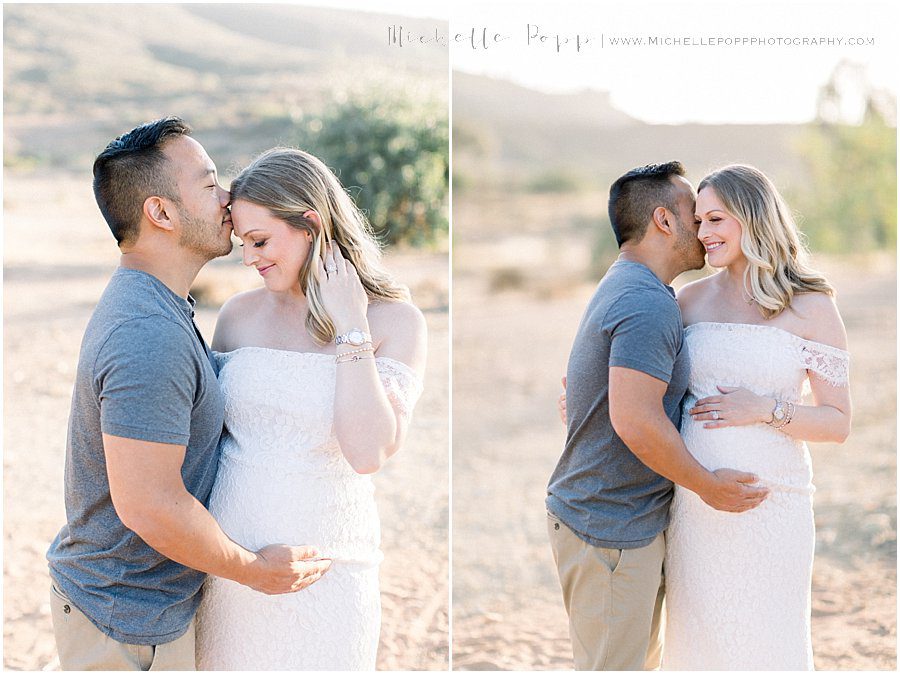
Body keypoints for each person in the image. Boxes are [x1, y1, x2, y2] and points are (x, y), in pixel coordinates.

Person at [46, 118, 331, 671]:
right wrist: (256, 570)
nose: (228, 198)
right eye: (209, 183)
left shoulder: (160, 304)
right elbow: (150, 504)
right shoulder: (146, 332)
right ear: (162, 213)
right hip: (124, 624)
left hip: (134, 613)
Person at [194, 147, 427, 670]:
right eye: (242, 245)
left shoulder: (397, 322)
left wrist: (350, 323)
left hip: (329, 569)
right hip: (233, 571)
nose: (250, 258)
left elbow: (367, 451)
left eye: (260, 241)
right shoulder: (237, 315)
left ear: (311, 225)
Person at [545, 161, 769, 671]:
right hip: (608, 528)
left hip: (615, 522)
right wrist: (710, 486)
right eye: (697, 214)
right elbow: (637, 421)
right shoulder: (647, 302)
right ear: (665, 221)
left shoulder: (632, 285)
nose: (704, 228)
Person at [661, 164, 851, 670]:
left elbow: (837, 421)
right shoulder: (687, 300)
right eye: (699, 221)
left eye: (716, 219)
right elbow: (649, 384)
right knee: (701, 642)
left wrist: (765, 409)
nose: (703, 234)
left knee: (769, 643)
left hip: (775, 505)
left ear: (752, 217)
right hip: (699, 505)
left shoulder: (811, 304)